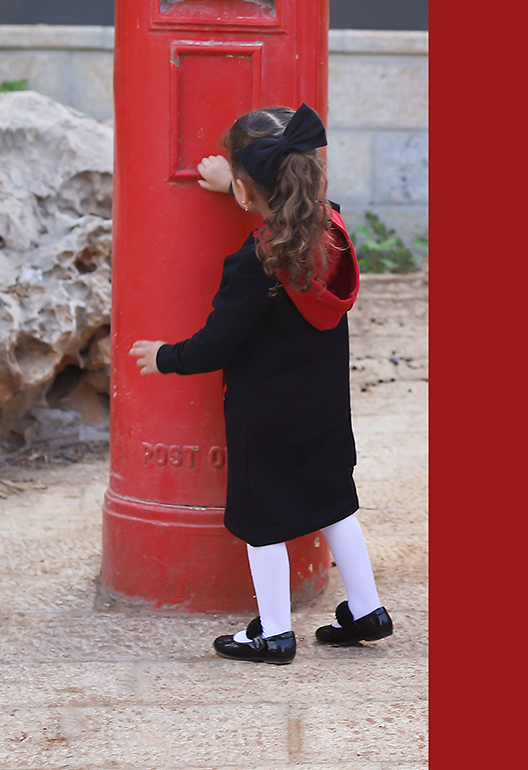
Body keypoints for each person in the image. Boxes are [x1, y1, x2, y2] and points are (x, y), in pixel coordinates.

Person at [128, 103, 392, 665]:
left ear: (247, 190)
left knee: (261, 520)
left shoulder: (254, 264)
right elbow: (291, 210)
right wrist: (240, 184)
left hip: (265, 415)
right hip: (325, 409)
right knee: (336, 503)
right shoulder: (333, 229)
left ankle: (273, 633)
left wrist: (165, 357)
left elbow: (215, 343)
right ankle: (367, 608)